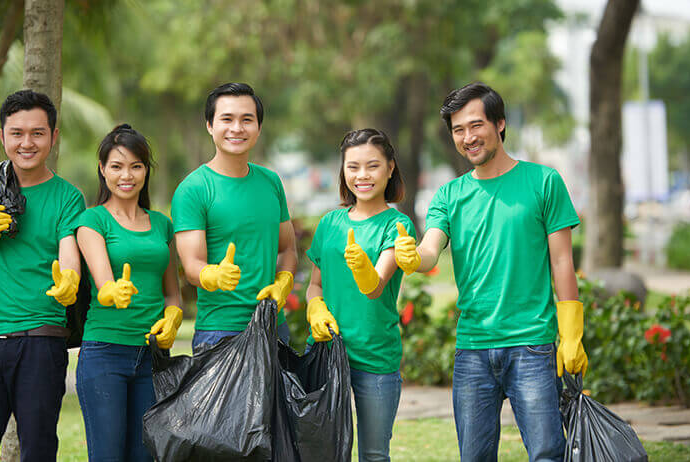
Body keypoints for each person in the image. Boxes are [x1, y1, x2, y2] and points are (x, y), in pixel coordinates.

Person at [394, 82, 588, 462]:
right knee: (474, 457)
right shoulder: (449, 195)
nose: (467, 138)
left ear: (499, 124)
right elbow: (431, 249)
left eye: (475, 125)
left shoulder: (543, 182)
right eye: (458, 130)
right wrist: (412, 256)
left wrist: (571, 333)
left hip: (532, 344)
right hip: (473, 349)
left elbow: (562, 262)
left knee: (548, 453)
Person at [0, 90, 85, 462]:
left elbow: (69, 253)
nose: (27, 143)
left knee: (38, 451)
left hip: (41, 341)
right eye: (17, 133)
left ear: (54, 137)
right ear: (1, 137)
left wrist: (69, 281)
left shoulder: (67, 196)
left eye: (38, 133)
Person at [305, 128, 414, 462]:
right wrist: (315, 309)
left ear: (390, 168)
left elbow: (376, 285)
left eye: (372, 166)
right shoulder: (329, 223)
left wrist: (363, 268)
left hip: (375, 358)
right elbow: (315, 285)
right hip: (326, 353)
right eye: (352, 167)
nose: (362, 175)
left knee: (374, 455)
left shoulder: (397, 226)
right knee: (324, 452)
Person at [75, 124, 183, 462]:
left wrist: (172, 317)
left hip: (151, 358)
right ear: (102, 170)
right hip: (105, 352)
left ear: (146, 171)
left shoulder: (162, 224)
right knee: (108, 455)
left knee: (145, 456)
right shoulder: (92, 221)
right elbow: (104, 282)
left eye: (136, 166)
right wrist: (111, 291)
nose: (127, 175)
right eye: (117, 166)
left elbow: (173, 295)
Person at [172, 82, 297, 350]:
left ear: (259, 128)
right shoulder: (193, 189)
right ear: (210, 125)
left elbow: (288, 249)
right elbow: (192, 264)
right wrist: (212, 275)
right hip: (220, 332)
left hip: (273, 326)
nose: (237, 128)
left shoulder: (271, 182)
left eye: (247, 120)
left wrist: (284, 282)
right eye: (226, 119)